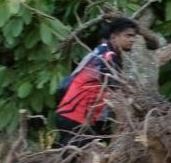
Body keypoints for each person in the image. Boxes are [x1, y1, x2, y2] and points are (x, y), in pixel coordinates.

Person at [54, 17, 139, 145]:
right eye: (128, 35)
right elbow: (115, 89)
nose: (132, 39)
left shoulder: (101, 51)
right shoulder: (108, 56)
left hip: (72, 115)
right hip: (75, 117)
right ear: (114, 37)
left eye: (134, 36)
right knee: (78, 160)